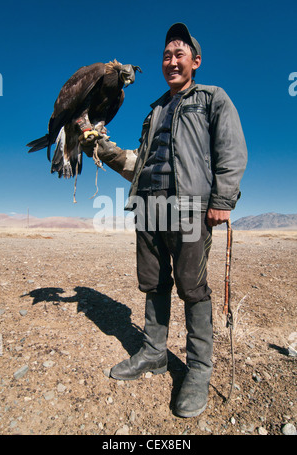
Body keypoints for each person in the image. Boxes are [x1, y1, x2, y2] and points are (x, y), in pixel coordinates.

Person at [90, 23, 247, 417]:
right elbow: (140, 163)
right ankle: (154, 353)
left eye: (180, 54)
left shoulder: (212, 98)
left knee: (192, 287)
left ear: (195, 61)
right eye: (166, 55)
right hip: (149, 206)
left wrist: (223, 198)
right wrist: (104, 148)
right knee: (153, 282)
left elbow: (231, 148)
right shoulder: (155, 110)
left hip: (190, 207)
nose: (172, 60)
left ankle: (198, 370)